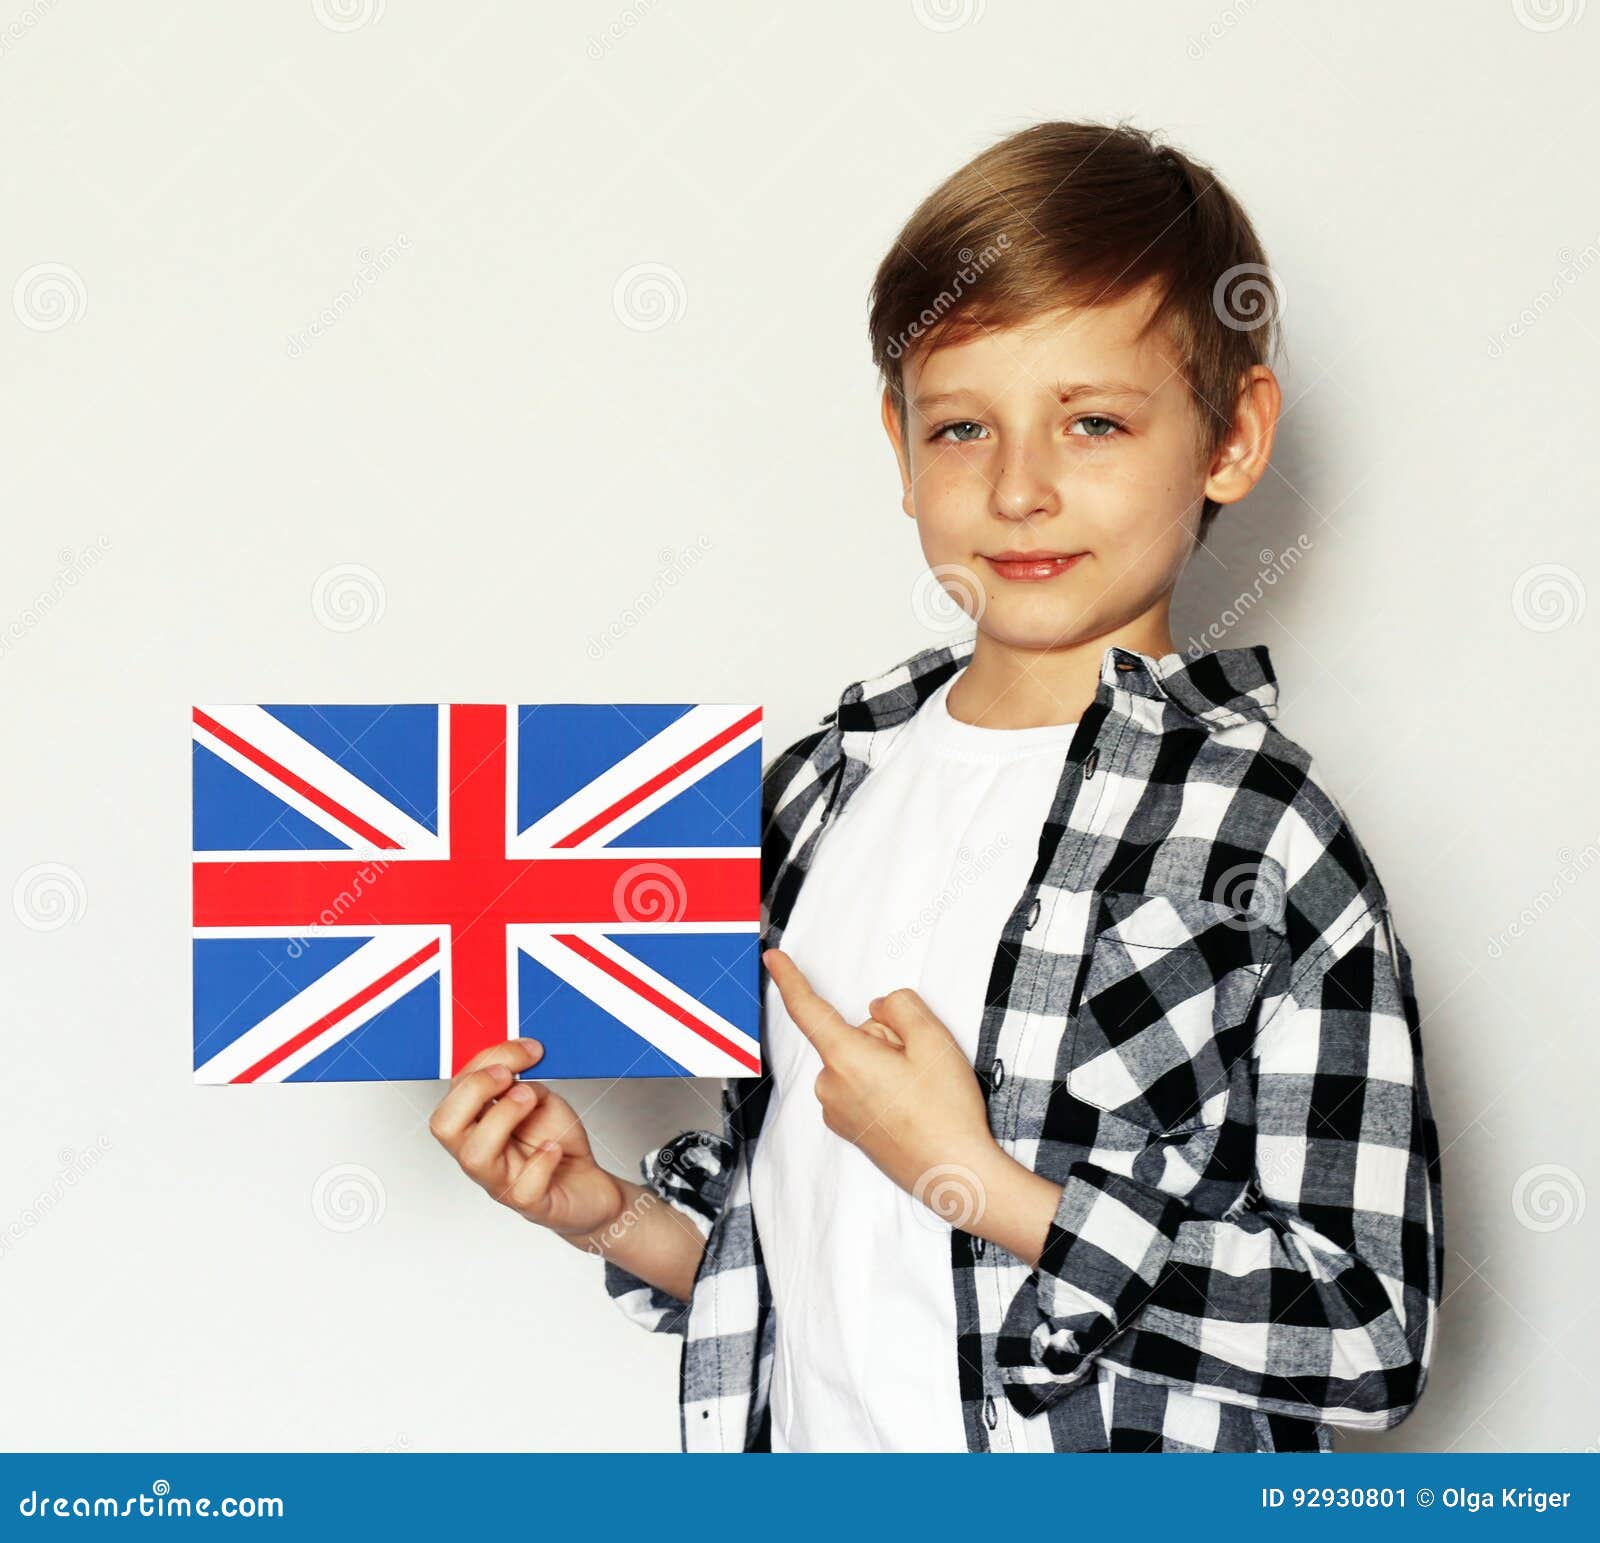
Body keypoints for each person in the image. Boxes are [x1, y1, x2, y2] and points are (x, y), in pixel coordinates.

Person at [427, 119, 1444, 1454]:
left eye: (1092, 420)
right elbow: (818, 1262)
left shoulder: (1262, 834)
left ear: (1231, 438)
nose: (1020, 488)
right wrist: (606, 1214)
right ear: (901, 445)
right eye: (963, 426)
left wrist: (988, 1188)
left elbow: (1369, 1332)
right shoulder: (809, 798)